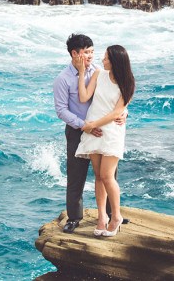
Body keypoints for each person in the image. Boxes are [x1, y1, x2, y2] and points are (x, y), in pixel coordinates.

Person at [53, 34, 127, 234]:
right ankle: (74, 217)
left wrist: (124, 113)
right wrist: (84, 125)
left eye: (93, 52)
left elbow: (115, 96)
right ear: (74, 53)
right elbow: (61, 110)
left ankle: (112, 214)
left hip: (103, 129)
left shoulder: (99, 72)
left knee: (107, 175)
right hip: (77, 130)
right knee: (76, 176)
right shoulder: (63, 79)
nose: (91, 56)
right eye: (86, 52)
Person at [74, 45, 136, 237]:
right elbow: (84, 97)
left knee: (107, 176)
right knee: (99, 176)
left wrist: (92, 125)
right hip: (94, 130)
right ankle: (102, 217)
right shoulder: (98, 74)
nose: (102, 60)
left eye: (106, 57)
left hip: (111, 131)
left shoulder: (128, 83)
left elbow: (117, 112)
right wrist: (82, 72)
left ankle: (116, 216)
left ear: (115, 61)